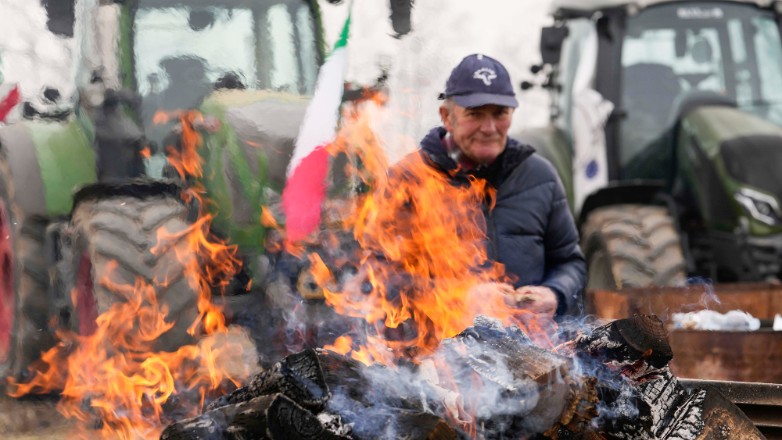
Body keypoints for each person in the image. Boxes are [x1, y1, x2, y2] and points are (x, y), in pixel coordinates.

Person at [417, 53, 586, 320]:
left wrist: (555, 293)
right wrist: (462, 298)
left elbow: (569, 262)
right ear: (447, 117)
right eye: (475, 114)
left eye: (500, 113)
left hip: (530, 352)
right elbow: (378, 277)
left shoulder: (541, 176)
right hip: (435, 354)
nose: (489, 127)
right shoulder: (410, 180)